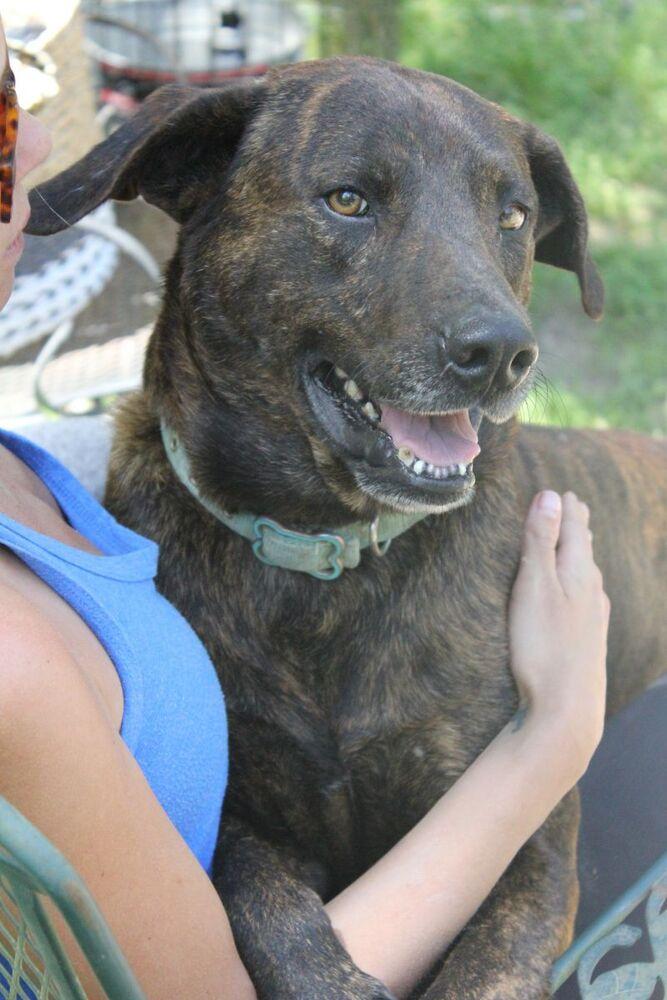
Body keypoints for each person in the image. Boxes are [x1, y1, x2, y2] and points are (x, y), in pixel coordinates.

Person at [0, 22, 610, 1000]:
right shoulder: (17, 656)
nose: (498, 326)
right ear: (188, 180)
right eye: (350, 199)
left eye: (505, 216)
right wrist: (556, 731)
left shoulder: (44, 474)